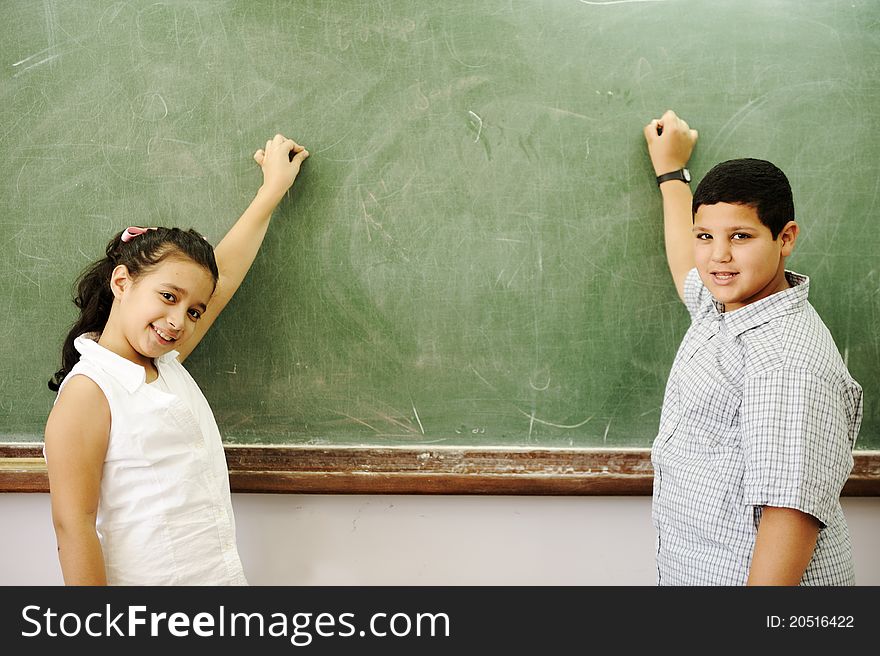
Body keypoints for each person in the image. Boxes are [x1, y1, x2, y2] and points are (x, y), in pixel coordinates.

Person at [44, 134, 309, 585]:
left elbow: (221, 283)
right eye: (167, 296)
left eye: (193, 312)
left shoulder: (165, 364)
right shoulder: (90, 392)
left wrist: (272, 190)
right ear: (122, 283)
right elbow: (74, 528)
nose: (177, 320)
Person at [643, 110, 862, 585]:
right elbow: (689, 267)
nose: (718, 255)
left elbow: (790, 513)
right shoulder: (727, 306)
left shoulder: (787, 363)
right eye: (707, 236)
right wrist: (672, 174)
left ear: (785, 239)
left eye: (740, 236)